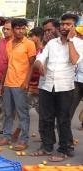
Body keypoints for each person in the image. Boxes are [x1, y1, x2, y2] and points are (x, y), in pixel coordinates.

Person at [32, 13, 83, 161]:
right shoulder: (52, 43)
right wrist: (39, 65)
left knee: (63, 119)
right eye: (62, 24)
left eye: (68, 24)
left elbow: (74, 60)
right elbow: (39, 59)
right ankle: (47, 147)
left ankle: (65, 149)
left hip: (65, 87)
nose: (64, 27)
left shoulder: (79, 43)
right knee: (46, 118)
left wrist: (71, 40)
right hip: (47, 86)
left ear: (74, 27)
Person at [0, 18, 36, 151]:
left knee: (22, 113)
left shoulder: (29, 44)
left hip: (20, 84)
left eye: (23, 28)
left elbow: (32, 64)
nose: (20, 31)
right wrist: (1, 83)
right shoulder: (9, 43)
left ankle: (23, 140)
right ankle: (6, 136)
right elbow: (7, 64)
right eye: (18, 28)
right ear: (13, 29)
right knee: (8, 112)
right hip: (7, 83)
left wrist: (26, 82)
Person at [71, 22, 83, 131]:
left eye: (79, 34)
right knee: (71, 104)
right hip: (76, 79)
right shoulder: (76, 44)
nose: (77, 35)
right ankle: (64, 123)